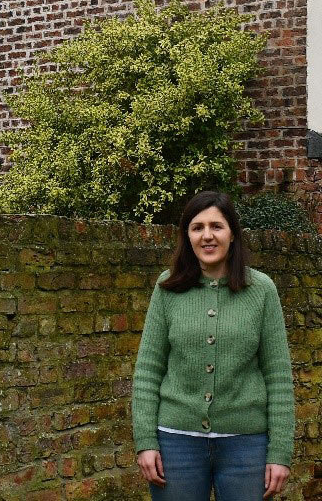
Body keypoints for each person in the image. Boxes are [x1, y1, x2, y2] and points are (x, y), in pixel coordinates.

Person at [131, 191, 294, 500]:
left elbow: (279, 377)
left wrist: (280, 452)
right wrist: (145, 441)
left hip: (246, 446)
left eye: (216, 226)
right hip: (176, 445)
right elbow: (149, 370)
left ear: (232, 234)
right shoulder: (168, 287)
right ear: (187, 236)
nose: (207, 236)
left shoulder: (261, 290)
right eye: (197, 227)